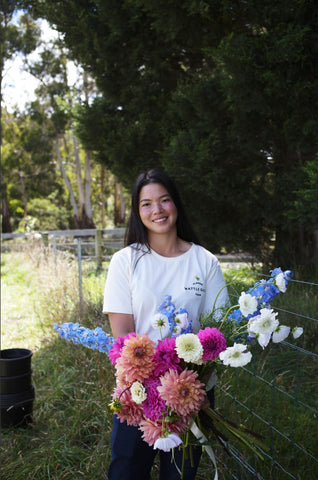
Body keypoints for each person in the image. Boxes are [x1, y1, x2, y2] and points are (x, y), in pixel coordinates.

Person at [103, 169, 228, 480]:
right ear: (137, 211)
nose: (156, 210)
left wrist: (185, 381)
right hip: (136, 392)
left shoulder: (205, 262)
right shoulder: (125, 261)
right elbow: (122, 339)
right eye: (146, 204)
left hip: (189, 392)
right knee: (126, 472)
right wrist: (150, 381)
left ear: (176, 204)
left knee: (181, 475)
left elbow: (217, 334)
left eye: (164, 200)